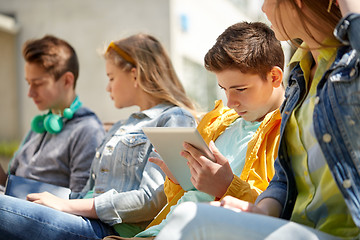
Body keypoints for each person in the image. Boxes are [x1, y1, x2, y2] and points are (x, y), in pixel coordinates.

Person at [155, 0, 360, 239]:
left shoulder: (349, 68)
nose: (263, 8)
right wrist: (259, 211)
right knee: (187, 215)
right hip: (295, 228)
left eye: (270, 0)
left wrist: (351, 9)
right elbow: (284, 179)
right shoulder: (299, 75)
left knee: (194, 219)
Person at [0, 33, 197, 240]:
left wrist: (67, 205)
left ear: (135, 75)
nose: (107, 87)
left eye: (111, 78)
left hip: (108, 230)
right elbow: (84, 193)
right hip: (82, 221)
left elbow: (151, 200)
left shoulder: (174, 119)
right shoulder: (121, 126)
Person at [104, 21, 285, 240]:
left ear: (275, 77)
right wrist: (178, 180)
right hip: (158, 232)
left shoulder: (287, 130)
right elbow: (187, 197)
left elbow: (273, 212)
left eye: (240, 89)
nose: (230, 102)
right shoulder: (217, 123)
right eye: (224, 90)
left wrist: (227, 187)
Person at [0, 35, 105, 193]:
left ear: (67, 81)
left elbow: (77, 203)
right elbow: (9, 184)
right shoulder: (41, 125)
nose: (30, 93)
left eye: (38, 84)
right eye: (29, 83)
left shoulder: (88, 131)